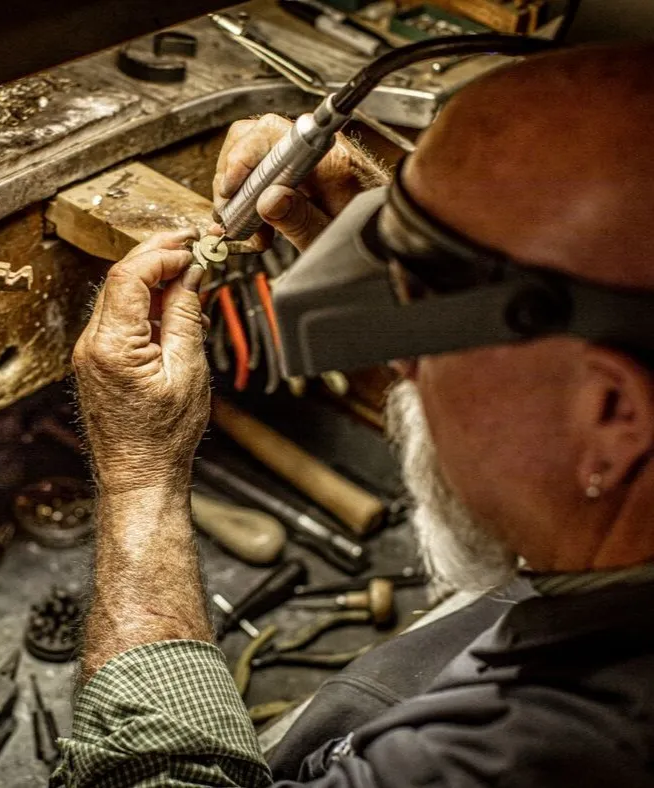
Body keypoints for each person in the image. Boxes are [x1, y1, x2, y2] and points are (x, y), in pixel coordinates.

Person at [53, 42, 654, 787]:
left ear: (611, 413)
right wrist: (413, 261)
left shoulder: (517, 759)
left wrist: (140, 473)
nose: (398, 366)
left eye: (425, 324)